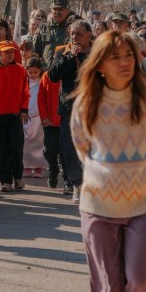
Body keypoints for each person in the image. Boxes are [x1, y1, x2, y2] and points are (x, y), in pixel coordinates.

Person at [71, 31, 146, 292]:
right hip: (98, 206)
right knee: (108, 286)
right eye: (115, 57)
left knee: (141, 279)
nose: (125, 62)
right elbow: (82, 146)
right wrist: (106, 175)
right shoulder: (86, 102)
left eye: (129, 55)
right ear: (100, 64)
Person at [48, 19, 94, 202]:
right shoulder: (63, 51)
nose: (75, 37)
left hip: (93, 110)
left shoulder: (99, 52)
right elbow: (52, 76)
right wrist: (69, 57)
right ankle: (77, 184)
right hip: (70, 109)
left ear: (89, 35)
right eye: (72, 34)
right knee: (68, 147)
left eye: (79, 34)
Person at [0, 41, 29, 192]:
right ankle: (5, 181)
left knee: (16, 149)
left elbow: (25, 92)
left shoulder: (21, 70)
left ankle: (18, 176)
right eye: (6, 52)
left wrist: (24, 110)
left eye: (12, 52)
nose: (10, 54)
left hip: (15, 116)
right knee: (1, 151)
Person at [37, 60, 64, 189]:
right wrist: (44, 117)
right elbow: (41, 98)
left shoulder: (71, 74)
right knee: (50, 150)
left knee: (66, 152)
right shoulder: (47, 76)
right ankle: (53, 170)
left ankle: (68, 181)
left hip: (66, 121)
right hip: (50, 123)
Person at [23, 57, 47, 178]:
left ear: (40, 71)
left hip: (39, 116)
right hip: (26, 115)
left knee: (39, 142)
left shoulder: (43, 82)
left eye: (35, 72)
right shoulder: (23, 83)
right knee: (26, 142)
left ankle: (39, 167)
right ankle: (26, 166)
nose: (33, 75)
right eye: (30, 72)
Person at [34, 0, 71, 65]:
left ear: (67, 11)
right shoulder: (43, 27)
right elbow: (36, 49)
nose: (57, 12)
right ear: (51, 11)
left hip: (65, 67)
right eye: (55, 9)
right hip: (46, 68)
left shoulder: (71, 27)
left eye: (60, 9)